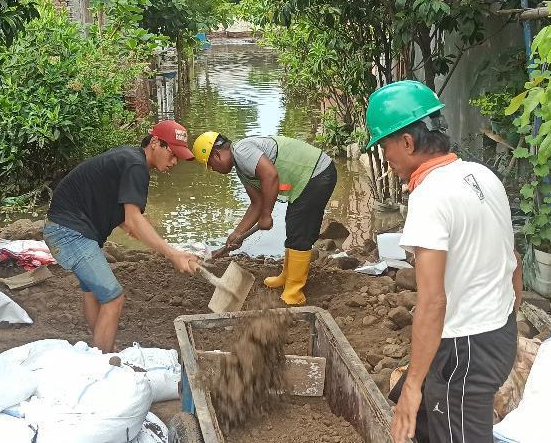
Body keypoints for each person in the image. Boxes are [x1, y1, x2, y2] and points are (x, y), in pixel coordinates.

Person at [364, 81, 522, 443]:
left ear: (407, 142)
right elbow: (512, 259)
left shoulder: (431, 196)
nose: (385, 157)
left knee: (430, 408)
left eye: (385, 146)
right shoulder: (481, 176)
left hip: (467, 348)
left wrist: (412, 387)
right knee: (422, 420)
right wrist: (508, 317)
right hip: (497, 335)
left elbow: (432, 302)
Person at [45, 120, 202, 352]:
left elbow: (121, 212)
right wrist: (172, 253)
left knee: (93, 292)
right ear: (156, 143)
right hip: (70, 233)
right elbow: (133, 219)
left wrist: (135, 226)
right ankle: (103, 360)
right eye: (173, 154)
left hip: (65, 227)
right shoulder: (136, 166)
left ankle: (100, 345)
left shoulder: (129, 158)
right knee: (113, 298)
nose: (174, 161)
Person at [191, 131, 337, 305]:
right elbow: (256, 204)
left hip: (317, 173)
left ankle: (294, 292)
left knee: (300, 230)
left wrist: (267, 215)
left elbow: (270, 175)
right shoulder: (241, 167)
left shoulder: (242, 151)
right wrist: (237, 233)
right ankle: (287, 277)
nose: (213, 170)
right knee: (294, 226)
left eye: (211, 165)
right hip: (305, 180)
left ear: (216, 154)